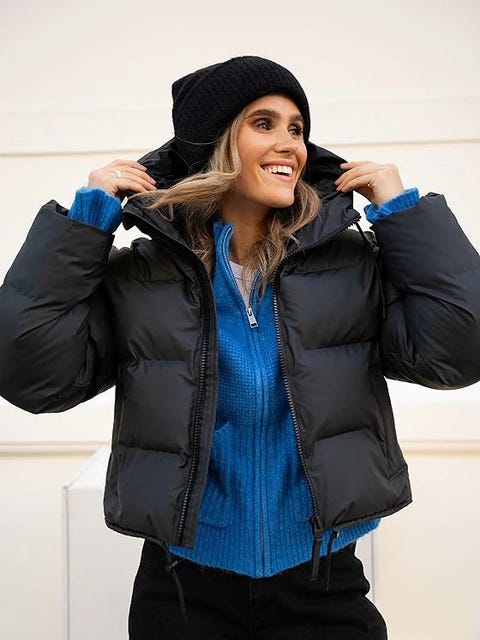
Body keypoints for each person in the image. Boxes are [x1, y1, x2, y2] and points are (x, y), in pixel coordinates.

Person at [0, 55, 479, 640]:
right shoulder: (141, 276)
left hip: (324, 585)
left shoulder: (351, 265)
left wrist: (402, 213)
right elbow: (32, 375)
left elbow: (459, 350)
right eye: (263, 123)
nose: (291, 144)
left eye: (297, 128)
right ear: (215, 144)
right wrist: (86, 222)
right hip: (181, 591)